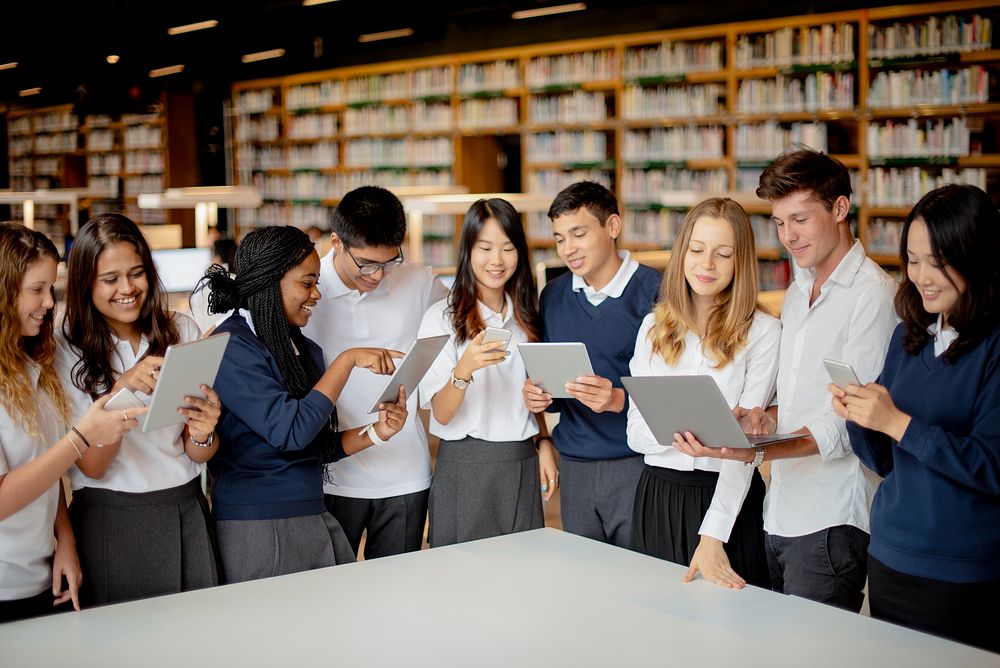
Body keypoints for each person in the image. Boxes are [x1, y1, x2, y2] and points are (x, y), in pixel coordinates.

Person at [673, 149, 898, 612]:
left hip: (832, 518)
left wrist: (754, 449)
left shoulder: (872, 297)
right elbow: (802, 400)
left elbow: (847, 424)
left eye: (799, 219)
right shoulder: (798, 290)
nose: (788, 236)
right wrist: (762, 419)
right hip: (781, 510)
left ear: (839, 209)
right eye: (778, 223)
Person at [831, 184, 1000, 652]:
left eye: (938, 261)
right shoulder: (910, 335)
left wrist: (899, 423)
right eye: (912, 258)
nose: (922, 275)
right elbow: (887, 460)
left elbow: (992, 465)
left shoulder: (993, 347)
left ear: (977, 256)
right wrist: (860, 417)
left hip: (963, 574)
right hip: (890, 558)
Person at [200, 225, 408, 583]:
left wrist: (378, 431)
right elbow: (290, 431)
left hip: (312, 512)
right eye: (306, 283)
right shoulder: (230, 347)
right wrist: (347, 361)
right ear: (269, 281)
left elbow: (317, 445)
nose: (316, 295)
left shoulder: (302, 349)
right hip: (260, 524)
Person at [56, 213, 221, 607]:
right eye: (110, 280)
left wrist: (205, 430)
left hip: (184, 507)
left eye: (137, 273)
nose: (127, 289)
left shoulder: (183, 331)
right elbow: (92, 467)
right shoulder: (67, 349)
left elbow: (197, 452)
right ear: (85, 284)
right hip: (110, 518)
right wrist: (121, 389)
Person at [627, 198, 778, 589]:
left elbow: (743, 453)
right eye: (697, 250)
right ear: (682, 254)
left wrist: (713, 537)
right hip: (657, 495)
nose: (707, 264)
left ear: (740, 262)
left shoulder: (763, 332)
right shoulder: (652, 328)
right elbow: (635, 433)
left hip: (727, 505)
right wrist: (698, 437)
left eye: (722, 253)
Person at [0, 224, 144, 622]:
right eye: (37, 289)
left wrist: (65, 539)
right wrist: (81, 438)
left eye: (53, 289)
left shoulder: (34, 368)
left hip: (45, 574)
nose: (49, 302)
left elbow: (44, 471)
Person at [302, 186, 447, 559]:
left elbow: (464, 319)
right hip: (332, 474)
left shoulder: (417, 281)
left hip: (406, 473)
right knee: (333, 595)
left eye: (389, 262)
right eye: (366, 264)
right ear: (336, 242)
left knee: (398, 596)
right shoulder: (306, 289)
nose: (378, 275)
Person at [523, 181, 661, 547]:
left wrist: (619, 399)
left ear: (612, 227)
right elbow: (555, 388)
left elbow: (676, 394)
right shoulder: (553, 295)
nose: (568, 249)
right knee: (586, 580)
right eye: (559, 239)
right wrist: (539, 397)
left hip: (637, 463)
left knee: (639, 577)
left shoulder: (656, 293)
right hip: (576, 465)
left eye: (578, 234)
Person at [418, 198, 556, 547]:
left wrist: (543, 443)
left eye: (508, 248)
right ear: (467, 250)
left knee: (521, 577)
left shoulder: (527, 316)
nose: (497, 260)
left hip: (521, 460)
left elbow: (531, 392)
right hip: (466, 465)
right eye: (485, 248)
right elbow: (442, 414)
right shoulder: (440, 318)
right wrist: (464, 370)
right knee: (462, 584)